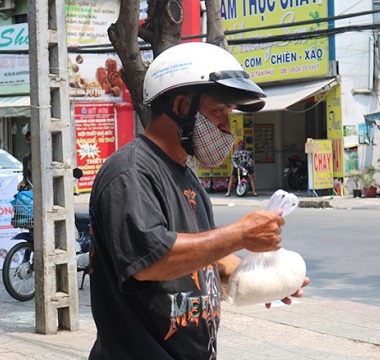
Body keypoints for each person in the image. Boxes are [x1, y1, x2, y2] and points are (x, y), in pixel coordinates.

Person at [88, 42, 309, 360]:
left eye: (229, 114)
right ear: (180, 105)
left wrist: (261, 278)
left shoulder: (186, 176)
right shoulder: (130, 172)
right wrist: (241, 234)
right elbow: (150, 261)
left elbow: (204, 255)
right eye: (219, 111)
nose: (226, 126)